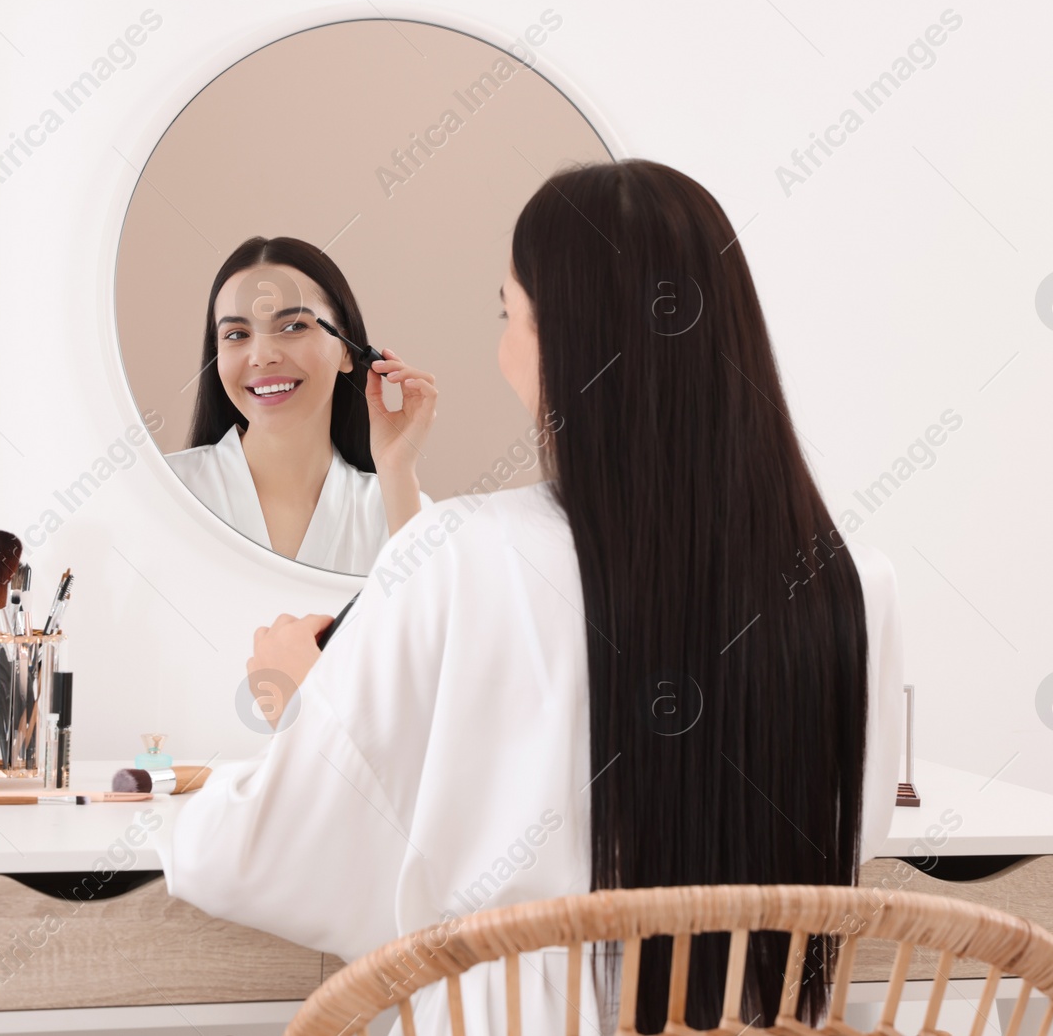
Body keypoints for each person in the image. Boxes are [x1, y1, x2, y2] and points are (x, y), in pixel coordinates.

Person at [157, 161, 904, 1034]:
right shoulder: (853, 583)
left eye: (507, 311)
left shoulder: (466, 553)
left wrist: (298, 707)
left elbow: (272, 855)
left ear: (564, 339)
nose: (504, 338)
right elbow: (855, 832)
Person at [164, 236, 437, 573]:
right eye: (236, 334)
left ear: (348, 349)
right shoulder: (161, 489)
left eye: (294, 326)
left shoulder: (398, 507)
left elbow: (428, 621)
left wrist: (396, 471)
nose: (262, 357)